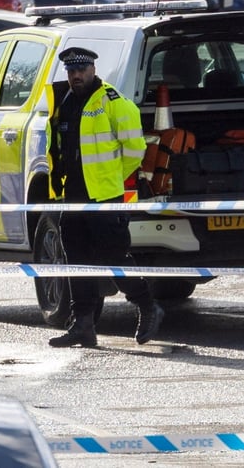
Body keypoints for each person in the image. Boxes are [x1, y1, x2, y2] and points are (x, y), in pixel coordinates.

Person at [47, 46, 163, 348]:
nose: (76, 76)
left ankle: (147, 306)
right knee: (77, 261)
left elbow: (135, 150)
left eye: (81, 70)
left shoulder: (113, 102)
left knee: (113, 257)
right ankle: (83, 324)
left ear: (93, 70)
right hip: (73, 194)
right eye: (71, 71)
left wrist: (110, 178)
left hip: (104, 195)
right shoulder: (66, 102)